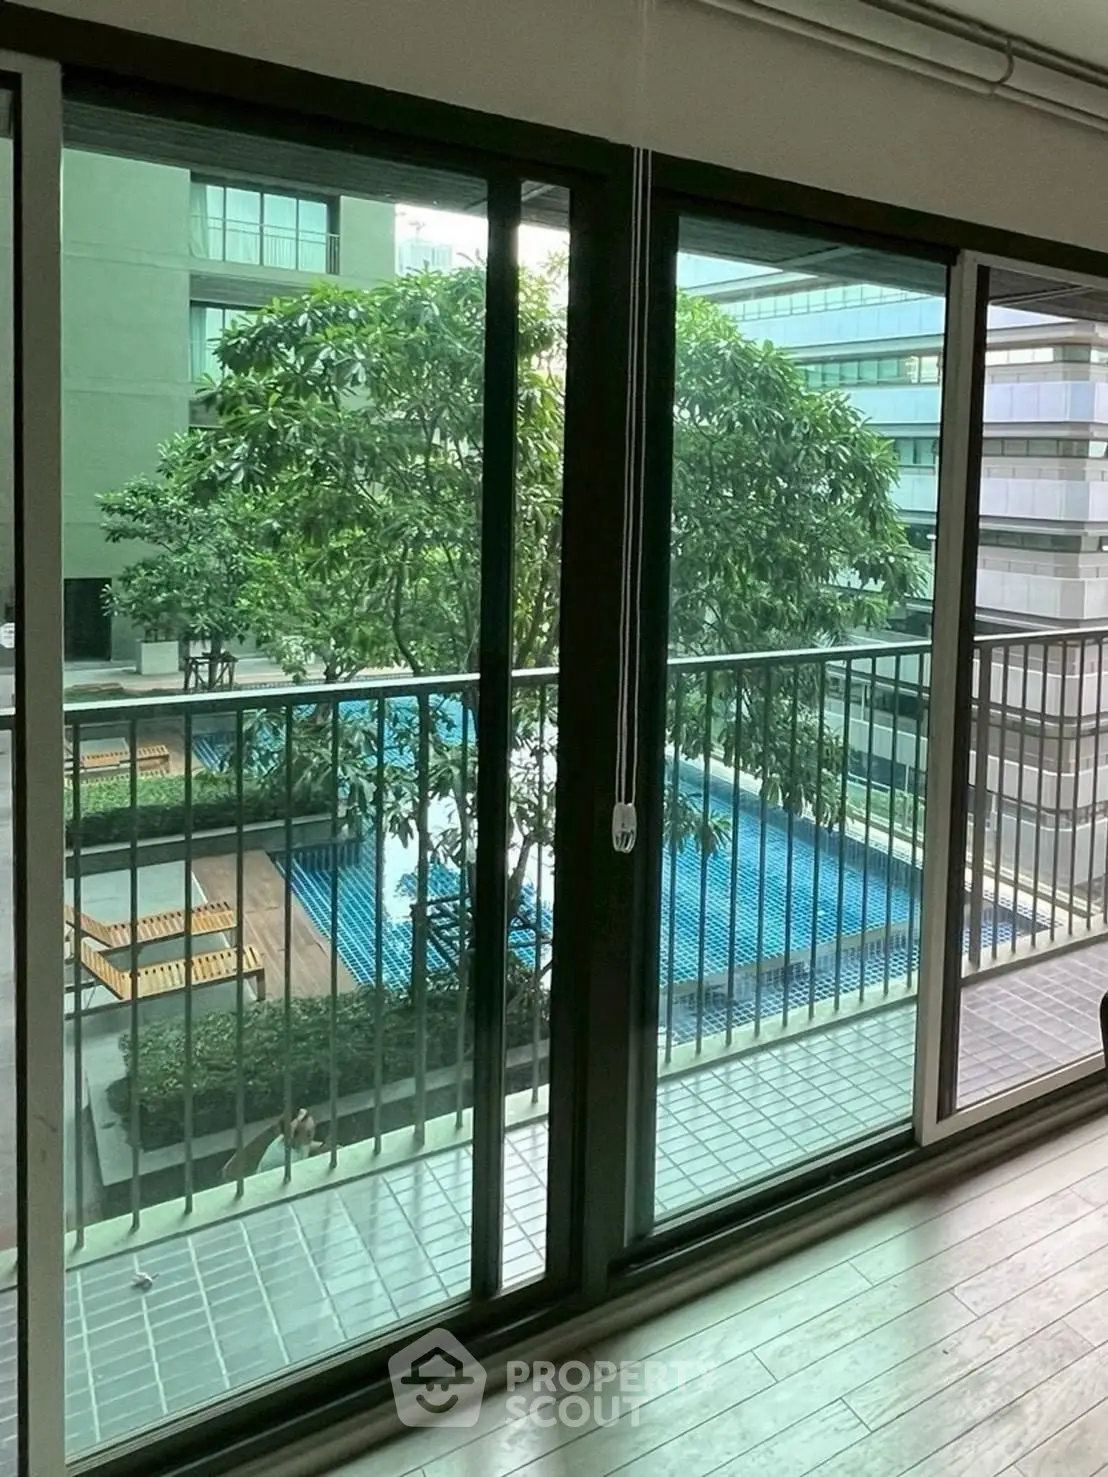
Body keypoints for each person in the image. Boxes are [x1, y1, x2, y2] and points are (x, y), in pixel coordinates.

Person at [255, 1108, 326, 1173]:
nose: (313, 1134)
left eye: (314, 1127)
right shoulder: (287, 1161)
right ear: (294, 1137)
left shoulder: (288, 1139)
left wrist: (323, 1146)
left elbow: (305, 1145)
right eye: (308, 1133)